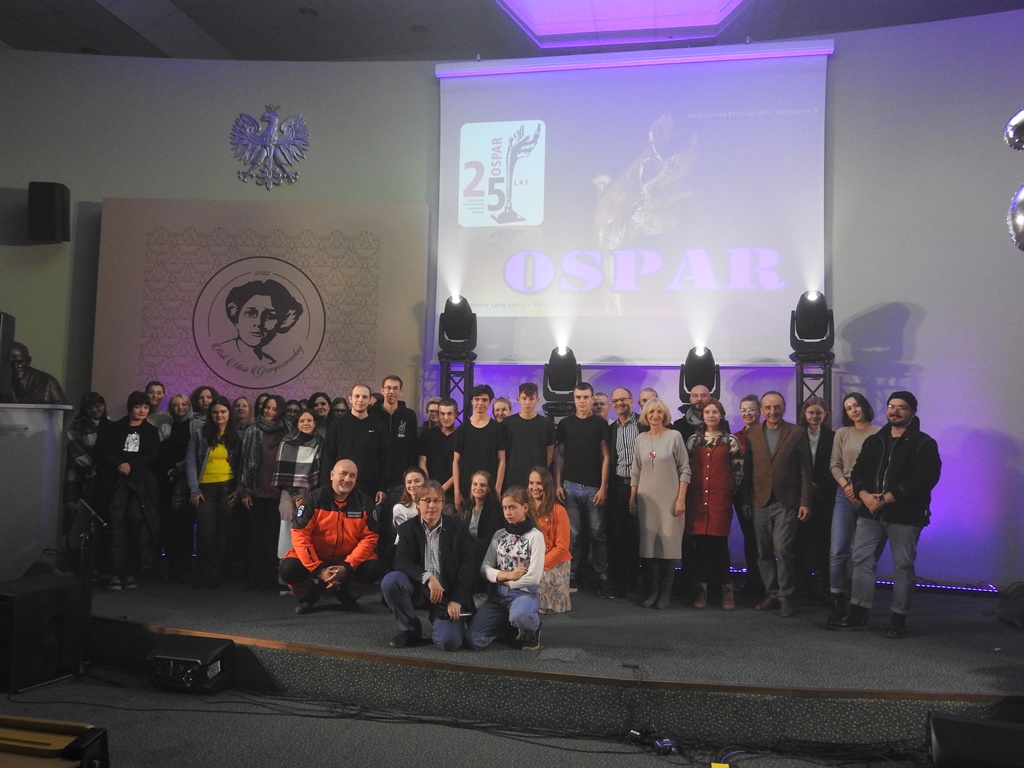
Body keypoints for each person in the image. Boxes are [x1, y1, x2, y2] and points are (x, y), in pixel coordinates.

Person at [836, 391, 941, 639]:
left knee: (902, 566)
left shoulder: (924, 443)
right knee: (861, 560)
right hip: (870, 513)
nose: (895, 411)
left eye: (901, 407)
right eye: (891, 406)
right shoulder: (875, 440)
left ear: (912, 412)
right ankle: (858, 613)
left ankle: (898, 619)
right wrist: (864, 495)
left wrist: (887, 498)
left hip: (905, 515)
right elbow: (858, 472)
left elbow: (925, 478)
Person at [741, 391, 812, 618]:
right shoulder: (752, 433)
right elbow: (748, 469)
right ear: (762, 409)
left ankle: (785, 597)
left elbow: (805, 469)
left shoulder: (797, 432)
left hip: (787, 500)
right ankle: (771, 593)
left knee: (782, 549)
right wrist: (746, 499)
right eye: (768, 407)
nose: (772, 411)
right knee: (763, 550)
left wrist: (805, 501)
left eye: (777, 407)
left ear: (784, 407)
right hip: (759, 499)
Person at [280, 459, 383, 615]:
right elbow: (300, 536)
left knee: (373, 568)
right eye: (343, 474)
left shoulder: (365, 503)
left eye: (352, 476)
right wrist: (319, 570)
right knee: (288, 568)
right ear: (332, 475)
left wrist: (347, 567)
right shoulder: (314, 499)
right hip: (316, 556)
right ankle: (308, 597)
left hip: (347, 559)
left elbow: (369, 539)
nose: (347, 479)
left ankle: (347, 596)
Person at [382, 480, 475, 650]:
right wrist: (428, 578)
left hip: (448, 594)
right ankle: (410, 630)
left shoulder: (459, 528)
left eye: (436, 500)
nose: (431, 505)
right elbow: (401, 561)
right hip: (419, 588)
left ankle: (440, 622)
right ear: (418, 504)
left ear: (443, 504)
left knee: (450, 642)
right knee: (391, 581)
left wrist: (456, 600)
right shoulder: (407, 528)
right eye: (426, 500)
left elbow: (467, 568)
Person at [465, 487, 545, 651]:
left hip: (523, 593)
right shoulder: (499, 535)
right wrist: (505, 575)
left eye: (513, 507)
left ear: (525, 507)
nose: (508, 512)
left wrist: (510, 583)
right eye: (505, 508)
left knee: (520, 615)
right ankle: (506, 625)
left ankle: (532, 628)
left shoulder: (535, 536)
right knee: (474, 640)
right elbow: (485, 568)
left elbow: (534, 577)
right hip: (498, 595)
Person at [95, 391, 160, 590]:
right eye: (138, 406)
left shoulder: (151, 431)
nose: (142, 410)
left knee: (135, 522)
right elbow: (104, 450)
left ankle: (131, 571)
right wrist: (120, 465)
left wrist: (132, 466)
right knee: (115, 523)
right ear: (130, 407)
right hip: (115, 480)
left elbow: (153, 455)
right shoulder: (115, 427)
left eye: (145, 407)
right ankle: (114, 572)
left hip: (140, 482)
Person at [629, 398, 690, 609]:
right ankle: (652, 591)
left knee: (669, 546)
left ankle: (665, 593)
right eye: (651, 412)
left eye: (659, 412)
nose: (655, 415)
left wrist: (681, 498)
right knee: (648, 547)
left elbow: (685, 469)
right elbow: (635, 471)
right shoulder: (641, 439)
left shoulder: (675, 436)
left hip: (671, 500)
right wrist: (632, 497)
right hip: (646, 501)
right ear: (645, 415)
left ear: (664, 414)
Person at [826, 393, 880, 626]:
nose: (853, 410)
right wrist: (847, 487)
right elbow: (834, 464)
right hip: (844, 493)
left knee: (862, 554)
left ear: (864, 406)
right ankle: (837, 601)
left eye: (856, 405)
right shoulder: (842, 433)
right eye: (848, 408)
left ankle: (859, 606)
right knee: (837, 551)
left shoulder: (880, 433)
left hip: (868, 494)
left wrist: (860, 490)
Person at [684, 399, 743, 610]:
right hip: (697, 500)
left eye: (715, 412)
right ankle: (702, 591)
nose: (711, 415)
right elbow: (686, 468)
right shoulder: (693, 441)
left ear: (721, 415)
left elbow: (738, 472)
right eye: (707, 412)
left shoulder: (731, 441)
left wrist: (729, 492)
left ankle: (726, 591)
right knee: (700, 547)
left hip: (720, 500)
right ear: (703, 415)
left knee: (720, 546)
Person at [554, 382, 611, 596]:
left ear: (592, 398)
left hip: (594, 487)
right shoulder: (565, 424)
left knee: (597, 534)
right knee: (573, 535)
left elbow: (606, 457)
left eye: (586, 397)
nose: (582, 401)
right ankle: (571, 575)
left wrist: (603, 487)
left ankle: (602, 577)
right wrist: (557, 483)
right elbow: (560, 455)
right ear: (574, 399)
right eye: (578, 397)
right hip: (570, 486)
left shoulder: (600, 424)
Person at [240, 394, 296, 590]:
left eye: (274, 408)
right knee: (256, 538)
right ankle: (255, 578)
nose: (270, 411)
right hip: (257, 490)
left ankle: (271, 578)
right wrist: (245, 491)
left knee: (275, 537)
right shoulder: (253, 429)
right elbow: (245, 462)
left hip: (280, 492)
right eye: (267, 407)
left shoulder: (289, 430)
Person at [185, 396, 241, 589]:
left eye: (223, 412)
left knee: (223, 533)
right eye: (215, 412)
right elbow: (191, 462)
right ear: (210, 414)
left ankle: (216, 572)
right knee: (206, 533)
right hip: (205, 490)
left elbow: (243, 464)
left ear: (229, 413)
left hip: (228, 488)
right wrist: (194, 489)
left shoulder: (236, 435)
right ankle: (203, 571)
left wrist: (240, 489)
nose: (219, 415)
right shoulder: (200, 433)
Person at [795, 395, 835, 606]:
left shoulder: (833, 437)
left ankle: (826, 589)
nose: (815, 416)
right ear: (805, 413)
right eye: (811, 412)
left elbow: (836, 465)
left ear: (825, 414)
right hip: (800, 497)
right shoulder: (795, 435)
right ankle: (806, 588)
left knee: (824, 544)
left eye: (819, 412)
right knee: (802, 544)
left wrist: (820, 486)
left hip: (825, 497)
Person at [272, 408, 323, 566]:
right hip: (290, 490)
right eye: (302, 421)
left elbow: (320, 471)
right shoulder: (287, 441)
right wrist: (296, 495)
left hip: (311, 490)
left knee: (308, 528)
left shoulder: (320, 442)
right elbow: (282, 474)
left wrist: (309, 495)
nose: (306, 423)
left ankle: (308, 566)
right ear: (297, 424)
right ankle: (285, 567)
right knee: (288, 524)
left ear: (315, 423)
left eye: (309, 420)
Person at [320, 383, 387, 503]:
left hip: (370, 487)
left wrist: (382, 487)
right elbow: (328, 456)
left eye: (364, 397)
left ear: (370, 400)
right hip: (341, 484)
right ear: (350, 399)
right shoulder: (337, 424)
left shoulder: (379, 425)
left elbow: (384, 457)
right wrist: (326, 486)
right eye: (357, 396)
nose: (360, 400)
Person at [606, 387, 645, 596]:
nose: (619, 403)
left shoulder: (644, 424)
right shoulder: (612, 429)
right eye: (615, 401)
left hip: (643, 487)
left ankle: (641, 581)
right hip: (620, 486)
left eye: (623, 399)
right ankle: (621, 581)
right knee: (618, 535)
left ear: (631, 401)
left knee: (640, 535)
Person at [213, 279, 303, 366]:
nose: (259, 323)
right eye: (250, 314)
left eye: (270, 316)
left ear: (281, 323)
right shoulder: (222, 352)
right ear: (236, 317)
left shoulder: (270, 362)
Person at [64, 392, 110, 557]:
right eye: (90, 407)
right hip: (78, 478)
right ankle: (73, 559)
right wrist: (94, 468)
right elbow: (76, 452)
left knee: (98, 518)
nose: (95, 409)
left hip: (100, 478)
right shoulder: (76, 426)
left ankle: (95, 559)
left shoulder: (110, 423)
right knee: (77, 517)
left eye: (98, 405)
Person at [156, 393, 196, 581]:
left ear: (189, 406)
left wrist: (178, 469)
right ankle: (171, 564)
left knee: (186, 524)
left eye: (183, 404)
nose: (180, 408)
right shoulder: (165, 428)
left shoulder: (195, 427)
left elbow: (196, 454)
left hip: (188, 480)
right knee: (169, 523)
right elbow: (159, 454)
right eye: (175, 405)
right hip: (167, 481)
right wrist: (168, 472)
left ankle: (184, 566)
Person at [452, 384, 506, 508]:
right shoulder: (462, 429)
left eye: (484, 400)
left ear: (490, 402)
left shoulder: (498, 429)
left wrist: (498, 489)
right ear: (472, 401)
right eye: (477, 399)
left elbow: (502, 460)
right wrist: (457, 492)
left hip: (490, 488)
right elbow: (456, 462)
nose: (480, 403)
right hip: (467, 489)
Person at [527, 467, 571, 614]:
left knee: (533, 579)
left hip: (553, 564)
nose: (534, 487)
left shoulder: (559, 511)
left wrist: (539, 565)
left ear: (547, 485)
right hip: (530, 561)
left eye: (539, 483)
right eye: (531, 483)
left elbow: (562, 547)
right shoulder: (524, 509)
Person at [732, 394, 764, 597]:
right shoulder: (736, 438)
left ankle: (768, 583)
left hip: (764, 494)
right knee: (750, 539)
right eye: (743, 410)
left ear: (759, 411)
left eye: (751, 409)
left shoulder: (768, 433)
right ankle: (754, 581)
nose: (747, 413)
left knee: (765, 541)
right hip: (742, 496)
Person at [456, 470, 503, 594]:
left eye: (482, 485)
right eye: (475, 484)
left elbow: (490, 537)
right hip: (469, 546)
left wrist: (467, 547)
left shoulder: (494, 508)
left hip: (485, 549)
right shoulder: (467, 505)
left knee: (470, 553)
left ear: (489, 489)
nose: (478, 488)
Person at [501, 382, 555, 490]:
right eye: (524, 398)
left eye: (531, 399)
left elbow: (549, 455)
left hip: (538, 480)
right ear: (518, 399)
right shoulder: (507, 423)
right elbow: (502, 454)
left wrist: (540, 473)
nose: (527, 402)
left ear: (537, 400)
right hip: (513, 478)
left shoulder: (546, 424)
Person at [418, 397, 458, 501]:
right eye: (442, 413)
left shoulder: (461, 435)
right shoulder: (427, 435)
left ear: (456, 414)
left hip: (453, 493)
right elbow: (422, 462)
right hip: (429, 490)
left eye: (449, 413)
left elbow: (460, 466)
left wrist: (441, 489)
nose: (446, 417)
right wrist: (429, 485)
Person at [392, 466, 427, 544]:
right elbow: (406, 533)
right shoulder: (399, 508)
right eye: (409, 482)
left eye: (417, 481)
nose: (413, 485)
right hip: (407, 545)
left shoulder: (432, 505)